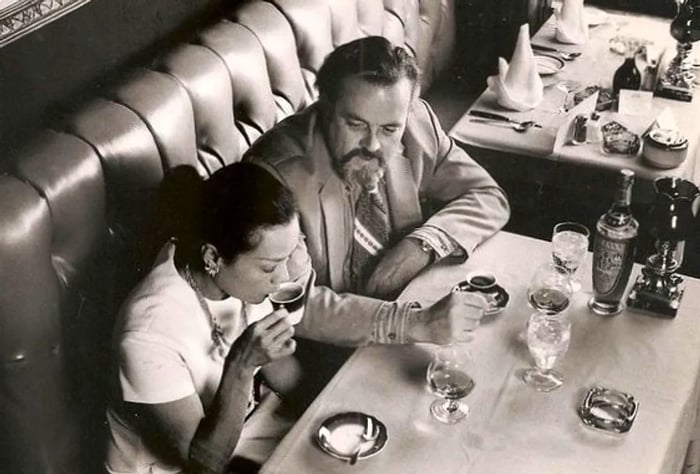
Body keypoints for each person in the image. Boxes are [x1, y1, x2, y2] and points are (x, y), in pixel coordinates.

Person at [105, 163, 487, 474]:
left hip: (254, 432)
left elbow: (284, 375)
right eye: (271, 266)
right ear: (212, 257)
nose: (284, 277)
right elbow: (204, 462)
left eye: (288, 256)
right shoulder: (148, 332)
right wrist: (240, 366)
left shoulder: (233, 276)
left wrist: (347, 411)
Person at [244, 36, 510, 302]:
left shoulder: (418, 123)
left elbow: (488, 196)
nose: (372, 145)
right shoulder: (274, 175)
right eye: (356, 124)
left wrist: (423, 245)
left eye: (389, 130)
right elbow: (299, 304)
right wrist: (407, 323)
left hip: (414, 302)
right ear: (325, 109)